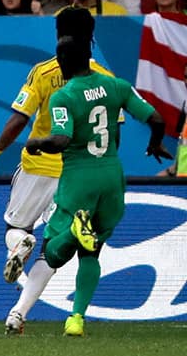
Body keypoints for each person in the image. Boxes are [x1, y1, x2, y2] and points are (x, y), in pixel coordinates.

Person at [0, 8, 122, 334]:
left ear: (58, 35)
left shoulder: (43, 72)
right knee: (52, 251)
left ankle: (18, 244)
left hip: (38, 165)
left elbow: (19, 119)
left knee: (16, 227)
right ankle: (18, 314)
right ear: (92, 37)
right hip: (78, 175)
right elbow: (114, 134)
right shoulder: (107, 81)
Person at [23, 22, 170, 337]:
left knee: (52, 251)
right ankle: (76, 319)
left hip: (79, 177)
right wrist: (155, 143)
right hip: (111, 176)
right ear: (89, 59)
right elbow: (157, 118)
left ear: (62, 62)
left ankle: (75, 231)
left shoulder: (63, 96)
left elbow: (61, 141)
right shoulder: (116, 85)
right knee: (93, 252)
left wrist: (36, 143)